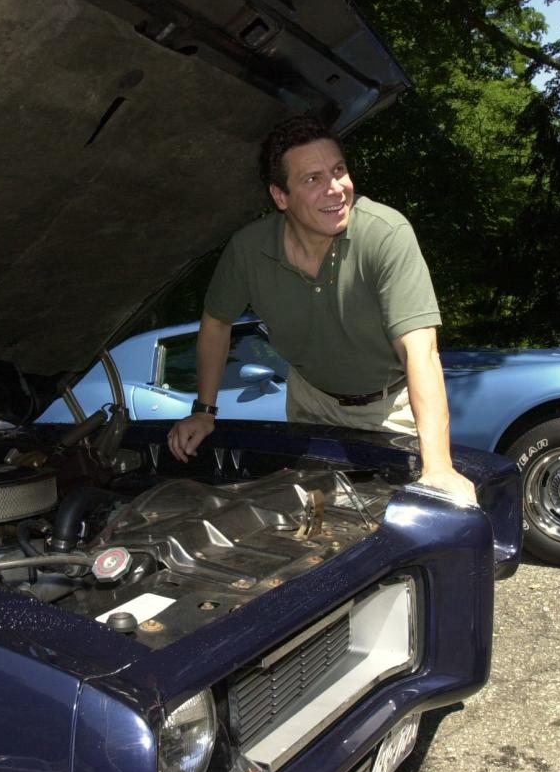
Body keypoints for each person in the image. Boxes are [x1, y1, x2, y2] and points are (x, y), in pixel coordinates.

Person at [166, 115, 476, 506]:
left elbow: (421, 351)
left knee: (397, 526)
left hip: (388, 407)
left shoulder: (385, 233)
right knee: (317, 527)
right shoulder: (248, 250)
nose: (336, 189)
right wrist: (204, 411)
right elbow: (215, 323)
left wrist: (439, 467)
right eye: (313, 179)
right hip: (309, 401)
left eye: (339, 171)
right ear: (281, 197)